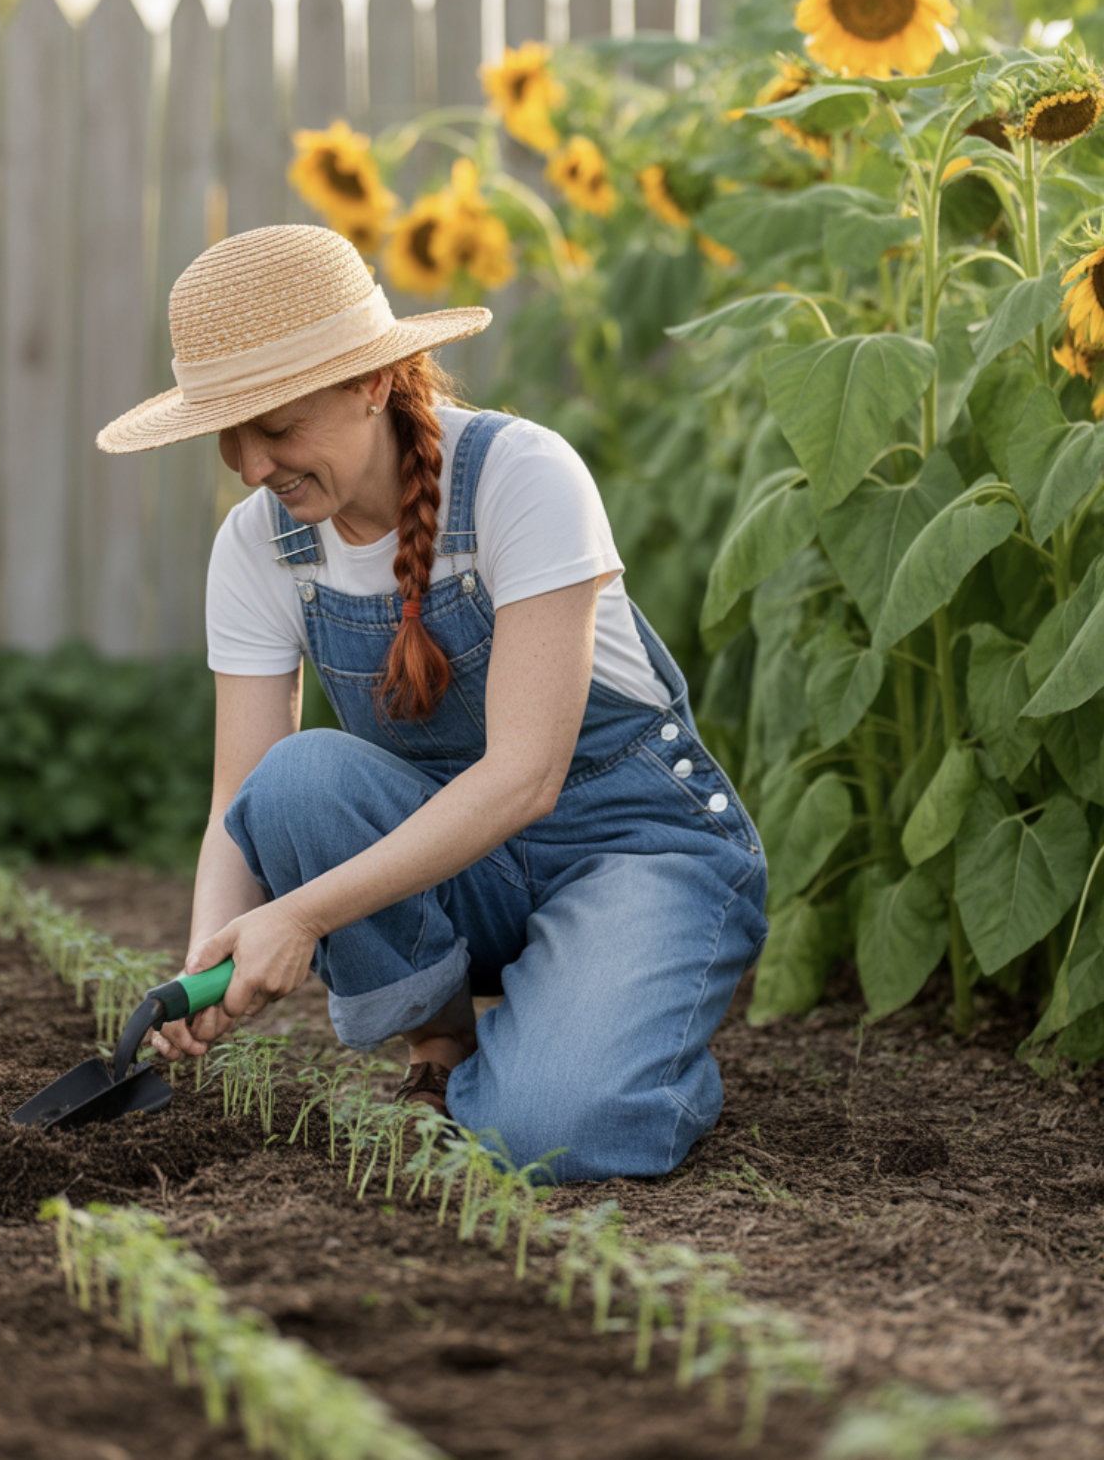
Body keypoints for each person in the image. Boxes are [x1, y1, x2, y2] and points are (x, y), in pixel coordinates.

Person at [97, 224, 767, 1182]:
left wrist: (300, 919)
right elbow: (239, 806)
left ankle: (629, 1044)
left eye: (276, 428)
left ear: (373, 382)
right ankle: (442, 1047)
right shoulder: (259, 547)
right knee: (296, 781)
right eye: (228, 436)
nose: (251, 467)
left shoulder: (521, 477)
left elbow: (527, 776)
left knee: (549, 1133)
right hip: (460, 868)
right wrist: (210, 956)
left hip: (635, 847)